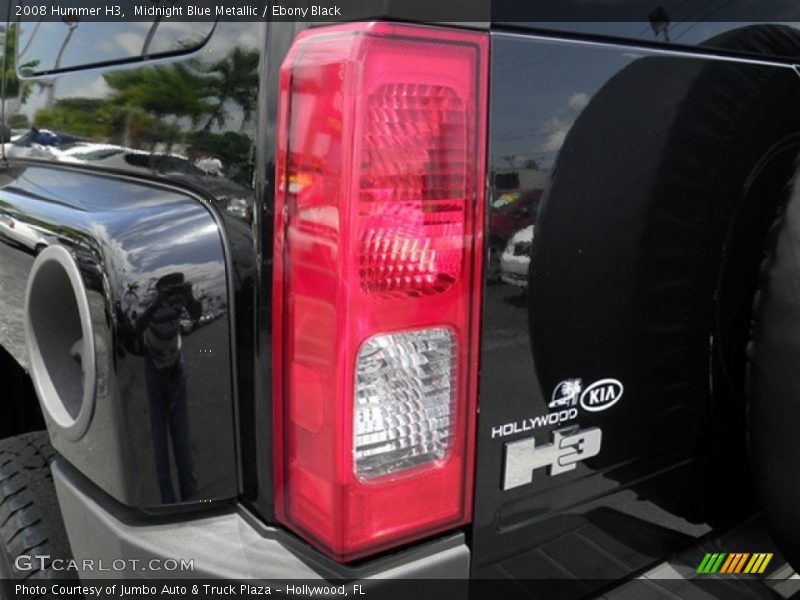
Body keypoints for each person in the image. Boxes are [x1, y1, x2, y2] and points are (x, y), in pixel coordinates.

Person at [136, 273, 201, 503]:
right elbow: (138, 326)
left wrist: (189, 297)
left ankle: (191, 499)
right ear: (160, 289)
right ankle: (167, 501)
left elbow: (196, 315)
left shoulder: (180, 302)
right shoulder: (150, 302)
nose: (174, 293)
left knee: (182, 438)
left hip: (175, 368)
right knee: (159, 442)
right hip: (154, 370)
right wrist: (156, 303)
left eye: (177, 287)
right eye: (169, 289)